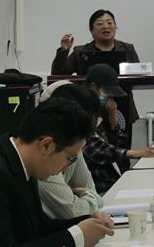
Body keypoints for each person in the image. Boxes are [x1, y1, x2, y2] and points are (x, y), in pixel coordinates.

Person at [0, 98, 114, 247]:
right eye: (70, 158)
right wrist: (75, 239)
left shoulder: (24, 164)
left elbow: (39, 229)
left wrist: (87, 222)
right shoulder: (2, 174)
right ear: (46, 145)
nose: (65, 168)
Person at [51, 9, 139, 147]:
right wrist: (64, 51)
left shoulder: (128, 49)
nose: (106, 26)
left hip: (122, 107)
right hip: (89, 109)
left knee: (121, 148)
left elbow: (138, 75)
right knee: (93, 150)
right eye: (100, 23)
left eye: (110, 23)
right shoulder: (80, 51)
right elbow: (58, 75)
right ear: (91, 30)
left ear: (115, 27)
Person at [82, 64, 154, 194]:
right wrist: (135, 153)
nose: (110, 98)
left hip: (115, 181)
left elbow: (119, 146)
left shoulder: (100, 111)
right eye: (107, 93)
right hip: (100, 187)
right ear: (93, 86)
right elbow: (95, 149)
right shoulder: (81, 111)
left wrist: (113, 121)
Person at [37, 83, 104, 219]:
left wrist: (88, 197)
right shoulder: (46, 155)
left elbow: (90, 191)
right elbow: (75, 212)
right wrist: (90, 198)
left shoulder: (72, 145)